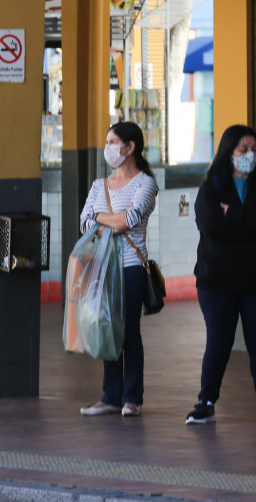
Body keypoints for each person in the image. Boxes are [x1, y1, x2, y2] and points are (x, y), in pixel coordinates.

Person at [185, 125, 256, 425]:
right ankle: (205, 402)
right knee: (218, 340)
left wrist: (234, 215)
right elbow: (212, 226)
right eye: (243, 149)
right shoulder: (211, 189)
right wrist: (248, 227)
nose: (250, 155)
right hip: (217, 281)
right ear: (229, 152)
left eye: (254, 149)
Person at [78, 122, 158, 418]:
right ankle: (110, 396)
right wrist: (109, 218)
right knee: (106, 327)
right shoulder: (100, 185)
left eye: (113, 141)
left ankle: (132, 397)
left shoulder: (145, 183)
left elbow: (131, 220)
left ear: (130, 147)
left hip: (131, 266)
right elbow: (84, 223)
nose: (108, 147)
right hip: (101, 267)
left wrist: (101, 219)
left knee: (129, 331)